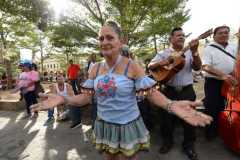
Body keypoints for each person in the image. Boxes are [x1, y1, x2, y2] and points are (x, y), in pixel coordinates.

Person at [31, 21, 212, 160]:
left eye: (110, 37)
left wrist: (170, 104)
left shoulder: (132, 66)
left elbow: (151, 92)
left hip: (128, 126)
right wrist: (65, 100)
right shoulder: (94, 69)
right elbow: (86, 98)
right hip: (105, 125)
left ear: (121, 41)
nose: (104, 42)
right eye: (101, 38)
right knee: (110, 158)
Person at [148, 27, 202, 160]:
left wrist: (195, 52)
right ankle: (168, 142)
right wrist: (164, 61)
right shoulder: (164, 53)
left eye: (183, 35)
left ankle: (188, 145)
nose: (181, 37)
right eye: (178, 35)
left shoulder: (190, 52)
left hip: (187, 91)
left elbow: (198, 67)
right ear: (171, 39)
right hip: (168, 91)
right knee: (166, 119)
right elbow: (150, 66)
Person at [202, 25, 238, 141]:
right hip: (214, 83)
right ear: (214, 36)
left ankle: (224, 130)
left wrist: (234, 72)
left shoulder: (233, 46)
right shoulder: (209, 48)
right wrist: (223, 75)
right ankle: (210, 133)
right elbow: (205, 66)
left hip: (231, 82)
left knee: (226, 107)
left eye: (226, 32)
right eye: (220, 33)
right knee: (212, 107)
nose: (224, 35)